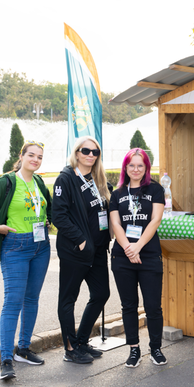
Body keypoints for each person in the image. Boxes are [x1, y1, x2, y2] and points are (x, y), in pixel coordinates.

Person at [0, 141, 52, 381]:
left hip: (41, 246)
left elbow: (47, 208)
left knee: (31, 299)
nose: (35, 160)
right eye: (31, 155)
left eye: (40, 157)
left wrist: (47, 220)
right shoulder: (6, 181)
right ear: (21, 156)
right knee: (13, 302)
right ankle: (6, 359)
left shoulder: (39, 182)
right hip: (15, 246)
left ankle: (23, 349)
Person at [52, 136, 112, 365]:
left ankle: (82, 341)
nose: (90, 155)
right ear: (77, 153)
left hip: (98, 250)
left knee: (101, 294)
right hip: (76, 250)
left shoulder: (97, 178)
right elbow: (59, 216)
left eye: (95, 152)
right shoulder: (66, 178)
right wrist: (80, 240)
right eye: (86, 151)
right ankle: (70, 348)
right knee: (68, 299)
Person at [109, 148, 167, 367]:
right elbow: (116, 224)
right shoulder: (117, 194)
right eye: (131, 165)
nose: (136, 169)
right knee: (128, 305)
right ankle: (134, 349)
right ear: (125, 167)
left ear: (146, 168)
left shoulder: (155, 189)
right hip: (123, 257)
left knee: (153, 306)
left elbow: (155, 220)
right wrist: (128, 248)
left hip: (149, 255)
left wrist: (138, 246)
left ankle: (156, 349)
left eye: (140, 165)